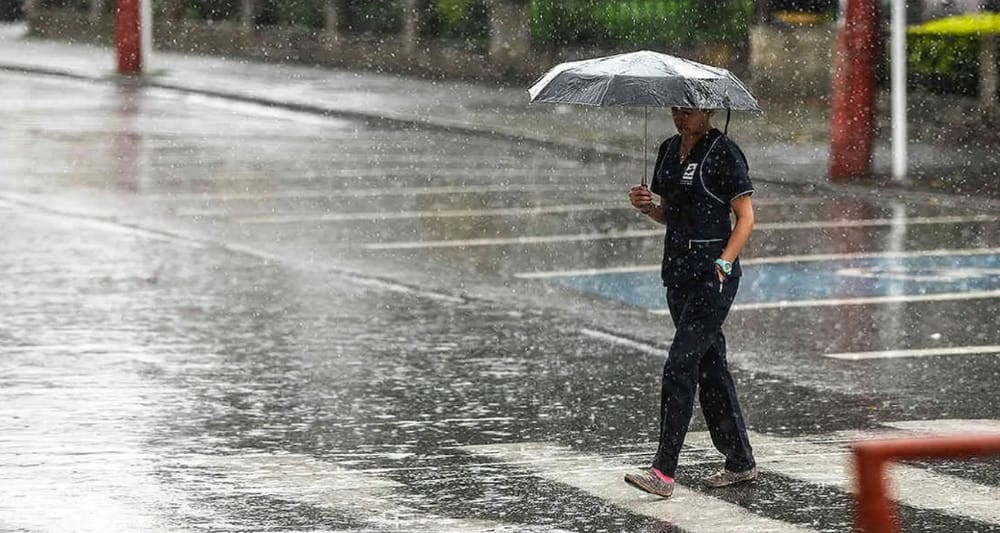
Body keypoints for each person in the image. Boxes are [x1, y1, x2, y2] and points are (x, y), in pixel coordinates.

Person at [623, 107, 757, 498]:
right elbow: (674, 214)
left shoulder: (724, 151)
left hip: (712, 278)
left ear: (710, 110)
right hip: (678, 274)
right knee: (711, 367)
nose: (681, 117)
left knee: (680, 364)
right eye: (676, 110)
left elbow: (746, 218)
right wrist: (647, 206)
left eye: (690, 111)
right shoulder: (666, 149)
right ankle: (740, 461)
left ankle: (663, 470)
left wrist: (724, 262)